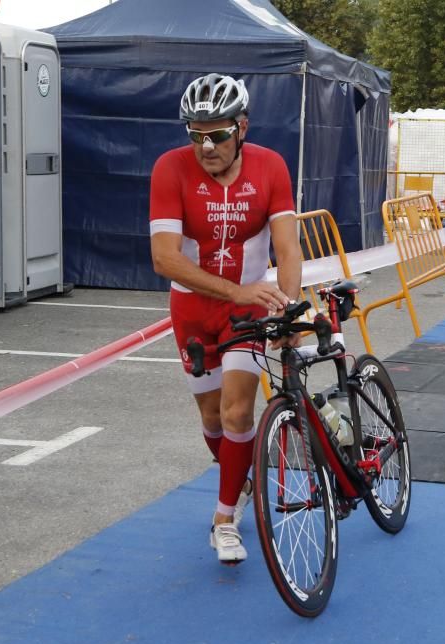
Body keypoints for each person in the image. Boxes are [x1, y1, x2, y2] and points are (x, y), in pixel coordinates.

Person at [149, 73, 301, 564]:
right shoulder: (170, 169)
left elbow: (288, 246)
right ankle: (241, 477)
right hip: (192, 309)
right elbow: (165, 259)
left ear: (242, 127)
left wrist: (289, 308)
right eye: (195, 134)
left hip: (247, 309)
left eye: (216, 134)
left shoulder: (271, 166)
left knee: (239, 411)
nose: (206, 146)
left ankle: (223, 518)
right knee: (212, 418)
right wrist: (237, 289)